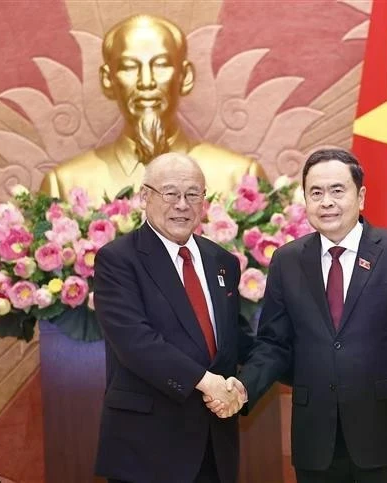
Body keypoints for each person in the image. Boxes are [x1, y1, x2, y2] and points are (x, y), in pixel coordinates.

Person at [210, 148, 387, 482]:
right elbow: (274, 344)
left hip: (384, 437)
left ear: (361, 197)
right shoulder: (287, 261)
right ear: (305, 200)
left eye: (337, 190)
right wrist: (243, 388)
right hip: (315, 440)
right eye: (316, 193)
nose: (326, 201)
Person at [93, 152, 249, 483]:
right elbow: (136, 343)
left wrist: (246, 384)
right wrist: (209, 383)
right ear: (144, 197)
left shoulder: (223, 261)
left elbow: (237, 339)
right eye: (170, 193)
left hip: (214, 446)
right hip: (146, 450)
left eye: (193, 194)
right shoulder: (118, 260)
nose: (182, 204)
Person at [40, 14, 263, 203]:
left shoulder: (240, 178)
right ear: (108, 80)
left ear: (185, 77)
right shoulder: (64, 185)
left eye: (161, 65)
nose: (146, 82)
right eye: (128, 67)